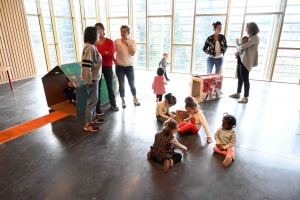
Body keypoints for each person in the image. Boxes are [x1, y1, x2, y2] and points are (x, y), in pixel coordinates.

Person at [229, 22, 260, 104]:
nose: (246, 29)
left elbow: (243, 46)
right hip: (241, 59)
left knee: (245, 79)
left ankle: (246, 97)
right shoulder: (250, 37)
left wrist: (237, 47)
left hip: (246, 61)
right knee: (239, 77)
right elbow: (242, 47)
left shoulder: (255, 38)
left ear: (251, 28)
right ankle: (238, 93)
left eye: (247, 28)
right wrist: (239, 49)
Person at [81, 26, 104, 132]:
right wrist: (88, 80)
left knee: (94, 100)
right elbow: (86, 66)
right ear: (93, 35)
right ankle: (88, 124)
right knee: (91, 102)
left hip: (95, 78)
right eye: (98, 33)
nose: (99, 35)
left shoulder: (91, 47)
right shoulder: (90, 47)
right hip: (92, 80)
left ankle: (93, 118)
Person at [94, 22, 119, 115]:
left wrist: (101, 53)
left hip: (108, 66)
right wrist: (105, 52)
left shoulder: (109, 41)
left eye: (100, 28)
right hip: (98, 67)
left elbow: (111, 54)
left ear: (103, 30)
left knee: (110, 87)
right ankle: (98, 108)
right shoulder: (94, 43)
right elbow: (95, 56)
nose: (98, 30)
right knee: (98, 88)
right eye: (96, 28)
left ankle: (113, 104)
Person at [114, 25, 140, 108]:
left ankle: (135, 98)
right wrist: (115, 62)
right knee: (121, 84)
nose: (122, 33)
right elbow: (112, 52)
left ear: (128, 32)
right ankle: (123, 100)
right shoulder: (116, 41)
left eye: (124, 31)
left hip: (129, 66)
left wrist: (127, 43)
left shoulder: (132, 42)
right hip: (119, 66)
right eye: (121, 31)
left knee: (132, 84)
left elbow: (132, 53)